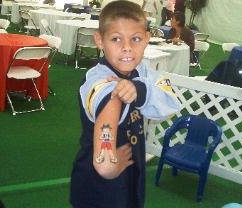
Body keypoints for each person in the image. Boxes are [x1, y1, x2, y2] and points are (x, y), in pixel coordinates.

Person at [70, 1, 181, 208]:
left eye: (136, 39)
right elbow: (103, 165)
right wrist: (110, 167)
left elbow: (171, 101)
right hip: (102, 185)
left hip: (130, 171)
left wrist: (139, 91)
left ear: (147, 39)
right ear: (100, 41)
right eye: (116, 39)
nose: (127, 47)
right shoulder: (103, 82)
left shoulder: (143, 71)